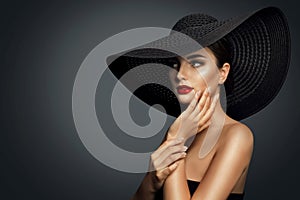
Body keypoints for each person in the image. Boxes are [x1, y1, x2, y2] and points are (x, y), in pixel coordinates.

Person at [108, 6, 290, 200]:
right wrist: (152, 181)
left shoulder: (237, 137)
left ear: (223, 73)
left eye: (195, 63)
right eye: (175, 64)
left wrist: (176, 142)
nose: (180, 75)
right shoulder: (180, 130)